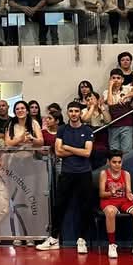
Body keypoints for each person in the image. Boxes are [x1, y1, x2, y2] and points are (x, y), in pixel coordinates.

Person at [37, 102, 94, 253]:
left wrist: (68, 147)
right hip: (67, 172)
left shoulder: (87, 130)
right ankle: (54, 239)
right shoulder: (62, 129)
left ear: (80, 113)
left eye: (76, 111)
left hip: (84, 173)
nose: (74, 113)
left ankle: (82, 240)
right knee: (59, 206)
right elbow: (58, 152)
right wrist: (78, 150)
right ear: (67, 113)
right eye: (71, 111)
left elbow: (87, 153)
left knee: (85, 207)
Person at [99, 151, 133, 259]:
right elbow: (101, 194)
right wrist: (112, 192)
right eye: (114, 162)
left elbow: (128, 191)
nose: (117, 165)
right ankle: (112, 245)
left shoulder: (126, 174)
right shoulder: (104, 174)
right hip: (108, 200)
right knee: (110, 212)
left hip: (123, 200)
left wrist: (129, 195)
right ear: (109, 162)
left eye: (119, 162)